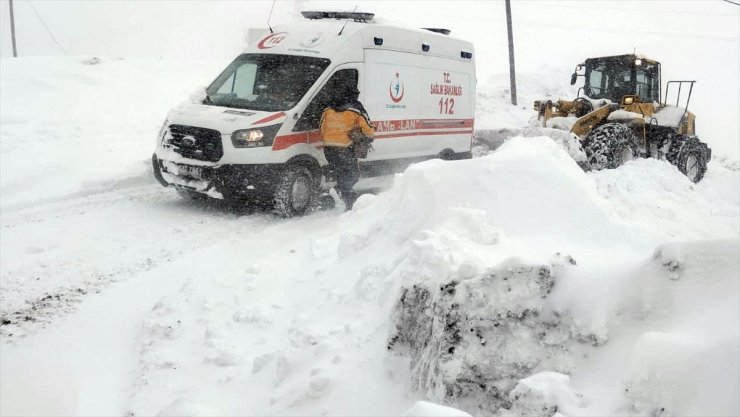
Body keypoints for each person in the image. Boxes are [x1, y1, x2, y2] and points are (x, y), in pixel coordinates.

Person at [319, 86, 374, 210]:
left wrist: (329, 139)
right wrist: (369, 137)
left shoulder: (328, 108)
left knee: (340, 173)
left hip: (328, 148)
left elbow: (321, 127)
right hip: (345, 148)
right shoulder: (356, 108)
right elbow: (367, 127)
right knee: (353, 175)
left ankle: (345, 201)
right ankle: (339, 192)